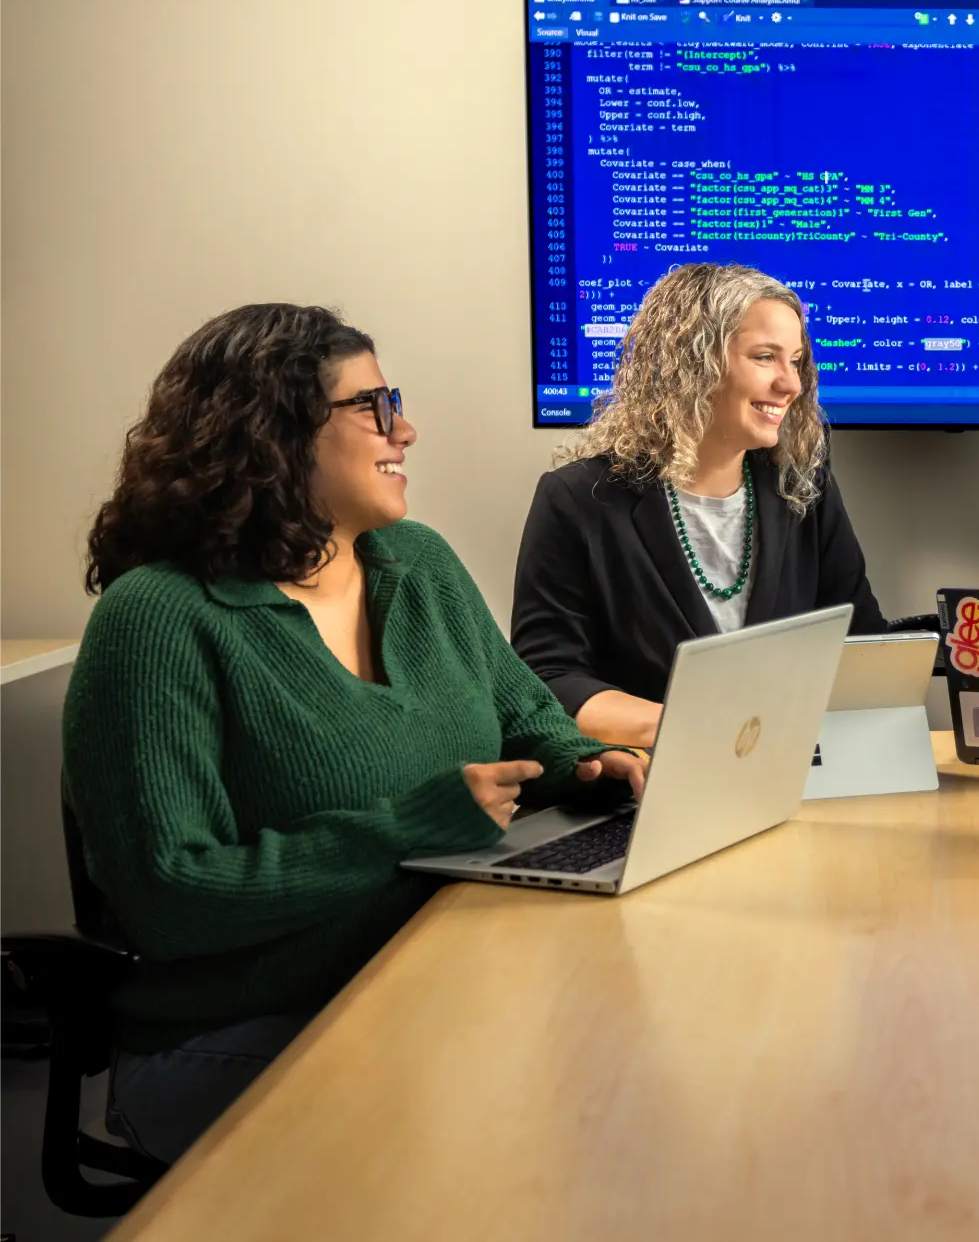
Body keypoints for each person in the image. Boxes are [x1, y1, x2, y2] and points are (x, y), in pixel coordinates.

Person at [64, 303, 647, 1163]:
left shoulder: (419, 562)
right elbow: (169, 896)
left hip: (440, 988)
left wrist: (591, 767)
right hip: (248, 1028)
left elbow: (531, 722)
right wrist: (405, 830)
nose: (403, 428)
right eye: (373, 405)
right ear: (270, 431)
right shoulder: (157, 619)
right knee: (543, 1122)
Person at [512, 263, 887, 747]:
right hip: (643, 790)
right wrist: (691, 727)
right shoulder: (576, 500)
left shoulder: (804, 487)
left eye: (795, 361)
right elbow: (548, 680)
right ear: (693, 364)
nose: (791, 384)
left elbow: (863, 644)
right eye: (765, 357)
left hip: (795, 776)